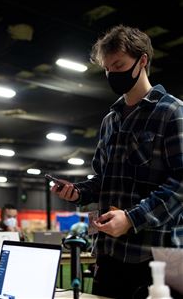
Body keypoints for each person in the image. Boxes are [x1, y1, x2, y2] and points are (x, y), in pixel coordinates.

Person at [51, 25, 183, 299]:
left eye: (119, 65)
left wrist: (132, 218)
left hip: (160, 255)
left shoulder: (173, 113)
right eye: (108, 68)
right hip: (110, 253)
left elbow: (180, 184)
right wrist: (79, 192)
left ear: (142, 61)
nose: (113, 74)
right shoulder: (110, 121)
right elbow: (104, 179)